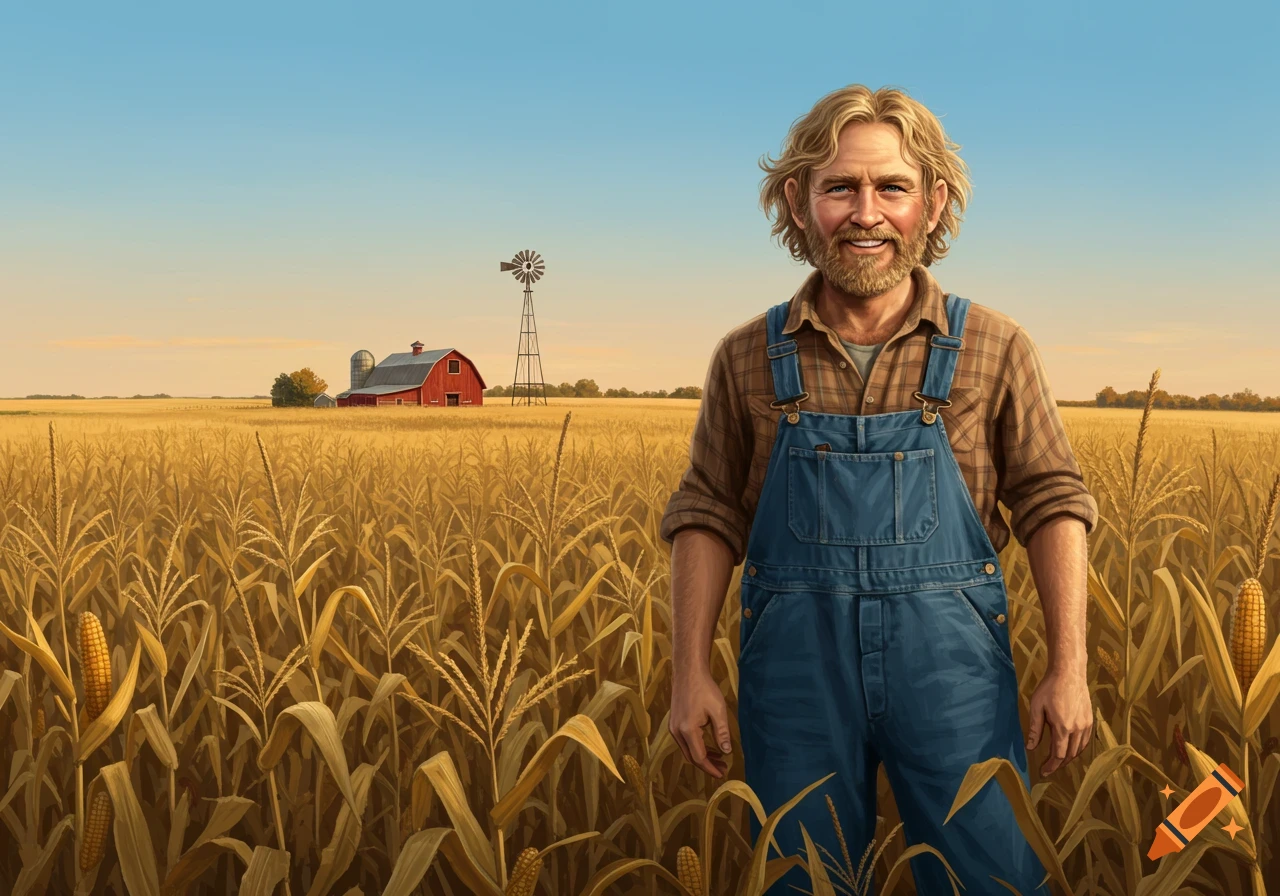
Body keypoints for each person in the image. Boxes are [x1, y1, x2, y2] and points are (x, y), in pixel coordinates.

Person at [662, 85, 1096, 895]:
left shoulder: (995, 348)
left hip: (953, 676)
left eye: (891, 188)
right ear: (798, 202)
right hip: (794, 677)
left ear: (932, 204)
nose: (867, 213)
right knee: (803, 880)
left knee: (992, 877)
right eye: (840, 188)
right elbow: (707, 514)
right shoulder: (746, 356)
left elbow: (1053, 501)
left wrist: (1069, 667)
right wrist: (689, 673)